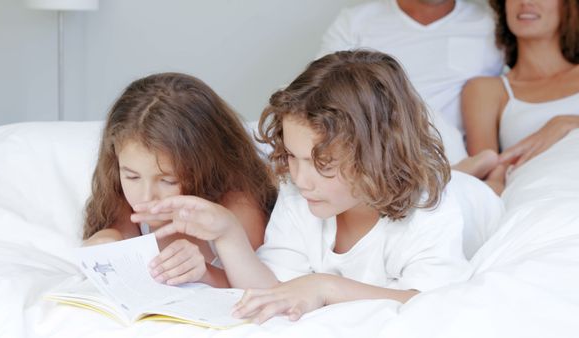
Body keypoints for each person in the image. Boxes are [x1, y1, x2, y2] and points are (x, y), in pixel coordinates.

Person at [132, 51, 502, 324]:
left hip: (473, 196)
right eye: (293, 156)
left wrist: (327, 286)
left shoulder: (430, 210)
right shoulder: (301, 194)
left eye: (322, 164)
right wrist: (228, 235)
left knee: (471, 182)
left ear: (377, 155)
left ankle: (486, 168)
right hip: (402, 180)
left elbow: (433, 301)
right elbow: (270, 290)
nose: (301, 177)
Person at [82, 72, 277, 288]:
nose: (146, 197)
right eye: (132, 176)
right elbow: (118, 240)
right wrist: (105, 240)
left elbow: (256, 284)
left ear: (204, 166)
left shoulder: (238, 208)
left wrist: (205, 272)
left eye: (168, 181)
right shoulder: (123, 199)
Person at [318, 0, 504, 160]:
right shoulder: (354, 22)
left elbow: (525, 83)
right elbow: (321, 94)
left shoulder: (490, 25)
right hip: (375, 150)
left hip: (451, 158)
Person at [462, 0, 579, 193]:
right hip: (537, 196)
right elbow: (488, 176)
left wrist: (566, 123)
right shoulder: (486, 90)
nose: (525, 2)